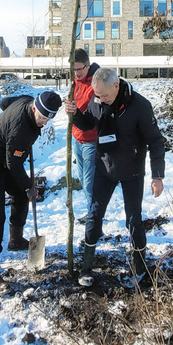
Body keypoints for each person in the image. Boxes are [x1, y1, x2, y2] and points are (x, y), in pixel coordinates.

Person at [64, 67, 165, 287]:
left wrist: (157, 175)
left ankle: (140, 268)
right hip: (105, 166)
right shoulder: (99, 98)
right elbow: (88, 122)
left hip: (132, 170)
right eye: (97, 96)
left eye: (105, 96)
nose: (101, 100)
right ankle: (86, 267)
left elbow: (156, 141)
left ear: (117, 86)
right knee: (94, 213)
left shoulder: (140, 106)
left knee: (133, 219)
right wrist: (75, 114)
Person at [0, 90, 63, 290]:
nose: (45, 122)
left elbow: (5, 102)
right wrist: (29, 186)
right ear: (34, 108)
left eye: (49, 119)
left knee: (21, 195)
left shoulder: (24, 101)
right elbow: (13, 165)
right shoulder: (21, 130)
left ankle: (15, 239)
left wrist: (25, 189)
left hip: (4, 159)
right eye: (42, 118)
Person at [70, 49, 100, 221]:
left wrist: (74, 113)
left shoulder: (96, 85)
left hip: (91, 141)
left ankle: (95, 218)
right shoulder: (75, 82)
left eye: (80, 69)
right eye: (73, 70)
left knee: (90, 183)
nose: (77, 73)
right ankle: (92, 211)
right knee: (82, 179)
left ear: (88, 66)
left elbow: (89, 122)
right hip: (77, 139)